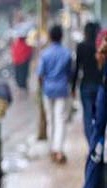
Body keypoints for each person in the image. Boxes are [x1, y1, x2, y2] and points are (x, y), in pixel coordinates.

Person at [37, 25, 73, 164]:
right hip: (62, 90)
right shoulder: (67, 53)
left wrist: (42, 88)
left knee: (50, 120)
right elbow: (70, 73)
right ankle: (58, 149)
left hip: (48, 90)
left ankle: (52, 149)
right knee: (60, 120)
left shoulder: (45, 54)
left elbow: (40, 75)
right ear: (61, 36)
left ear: (50, 37)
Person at [72, 22, 102, 143]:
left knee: (87, 116)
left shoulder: (81, 46)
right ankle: (96, 145)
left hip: (85, 86)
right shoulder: (100, 47)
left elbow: (77, 68)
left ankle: (91, 144)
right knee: (99, 116)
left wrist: (73, 87)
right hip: (99, 86)